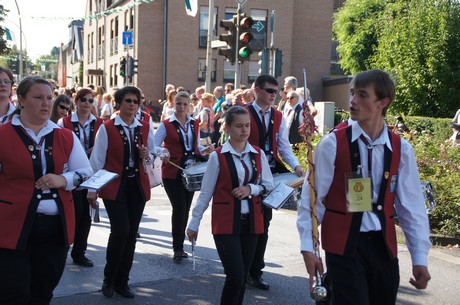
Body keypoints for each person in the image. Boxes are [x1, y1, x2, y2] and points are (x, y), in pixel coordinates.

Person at [297, 69, 431, 305]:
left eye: (362, 95)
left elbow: (412, 206)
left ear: (383, 102)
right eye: (352, 94)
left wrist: (419, 257)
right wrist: (308, 247)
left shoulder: (401, 149)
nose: (352, 101)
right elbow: (312, 200)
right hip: (343, 246)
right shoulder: (332, 145)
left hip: (383, 248)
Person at [0, 76, 93, 305]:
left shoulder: (65, 136)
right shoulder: (2, 134)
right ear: (21, 99)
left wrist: (62, 179)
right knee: (13, 293)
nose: (46, 103)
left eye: (49, 98)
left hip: (54, 228)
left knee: (43, 291)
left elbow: (85, 172)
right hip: (12, 226)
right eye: (38, 97)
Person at [187, 106, 274, 305]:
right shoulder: (217, 156)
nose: (244, 130)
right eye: (239, 126)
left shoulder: (257, 153)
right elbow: (205, 193)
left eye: (247, 126)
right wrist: (194, 223)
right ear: (226, 128)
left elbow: (268, 185)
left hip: (252, 223)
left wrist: (251, 189)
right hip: (226, 223)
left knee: (242, 278)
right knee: (235, 275)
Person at [88, 86, 156, 299]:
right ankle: (109, 280)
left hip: (136, 186)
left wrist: (147, 155)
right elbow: (97, 160)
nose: (133, 105)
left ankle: (122, 282)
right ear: (119, 103)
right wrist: (92, 188)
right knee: (121, 232)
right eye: (128, 101)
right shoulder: (107, 128)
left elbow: (152, 155)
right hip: (114, 186)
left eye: (136, 101)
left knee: (131, 236)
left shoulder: (144, 127)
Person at [246, 74, 305, 290]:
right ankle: (241, 269)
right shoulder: (243, 112)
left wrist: (297, 167)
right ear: (257, 90)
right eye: (270, 90)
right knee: (245, 223)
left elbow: (283, 145)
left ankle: (256, 271)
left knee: (264, 223)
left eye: (276, 91)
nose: (274, 95)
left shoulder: (278, 116)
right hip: (246, 174)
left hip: (270, 175)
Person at [154, 91, 213, 262]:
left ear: (189, 106)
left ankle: (179, 245)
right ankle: (177, 248)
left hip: (190, 171)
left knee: (185, 209)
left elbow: (193, 147)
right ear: (173, 104)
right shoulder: (166, 124)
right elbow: (154, 146)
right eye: (178, 103)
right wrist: (162, 152)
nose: (181, 107)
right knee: (179, 208)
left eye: (184, 104)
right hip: (172, 171)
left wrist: (204, 150)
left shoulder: (194, 123)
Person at [58, 88, 104, 268]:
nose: (86, 104)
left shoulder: (99, 123)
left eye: (90, 101)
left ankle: (79, 252)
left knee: (86, 216)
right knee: (72, 213)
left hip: (92, 176)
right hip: (71, 175)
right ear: (76, 102)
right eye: (83, 100)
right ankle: (63, 247)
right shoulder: (65, 122)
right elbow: (59, 146)